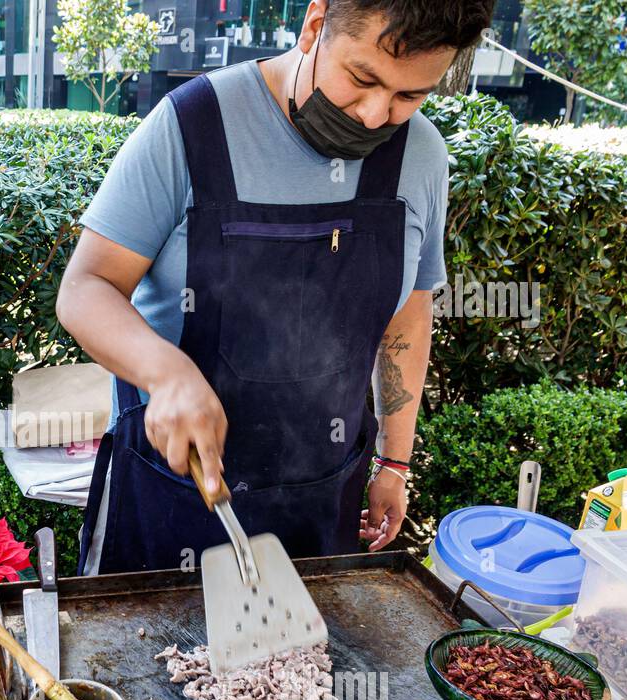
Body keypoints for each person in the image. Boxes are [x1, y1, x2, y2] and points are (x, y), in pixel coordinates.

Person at [57, 0, 494, 575]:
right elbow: (87, 287)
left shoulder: (420, 155)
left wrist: (394, 462)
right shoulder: (192, 125)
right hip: (174, 497)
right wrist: (167, 373)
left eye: (409, 97)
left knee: (309, 664)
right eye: (362, 78)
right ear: (315, 25)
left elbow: (407, 318)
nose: (374, 115)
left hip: (323, 500)